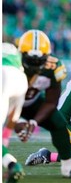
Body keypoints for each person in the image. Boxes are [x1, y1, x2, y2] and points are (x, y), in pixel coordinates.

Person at [14, 29, 71, 178]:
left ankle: (67, 165)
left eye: (39, 60)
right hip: (8, 100)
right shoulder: (9, 64)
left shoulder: (53, 67)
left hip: (32, 102)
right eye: (30, 60)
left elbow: (51, 101)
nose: (35, 65)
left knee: (59, 123)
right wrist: (16, 120)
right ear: (20, 54)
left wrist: (34, 122)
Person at [2, 42, 28, 183]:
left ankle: (12, 164)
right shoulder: (12, 50)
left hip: (3, 75)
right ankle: (9, 165)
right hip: (20, 79)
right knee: (6, 129)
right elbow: (11, 121)